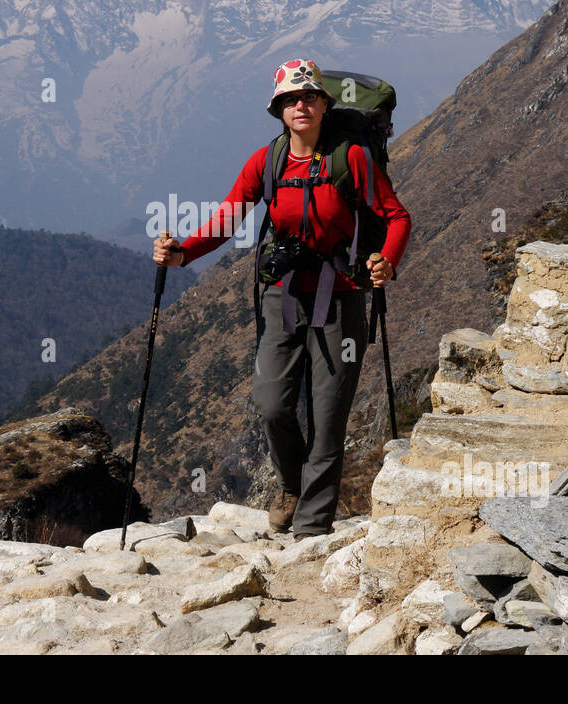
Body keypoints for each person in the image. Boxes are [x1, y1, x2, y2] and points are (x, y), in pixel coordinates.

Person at [153, 58, 411, 538]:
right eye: (291, 99)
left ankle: (311, 529)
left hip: (342, 294)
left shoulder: (352, 157)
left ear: (324, 104)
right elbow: (230, 218)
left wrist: (387, 261)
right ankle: (292, 485)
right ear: (278, 109)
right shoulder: (266, 161)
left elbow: (396, 216)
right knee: (271, 403)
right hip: (284, 297)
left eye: (309, 96)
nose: (301, 105)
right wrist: (183, 253)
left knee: (329, 416)